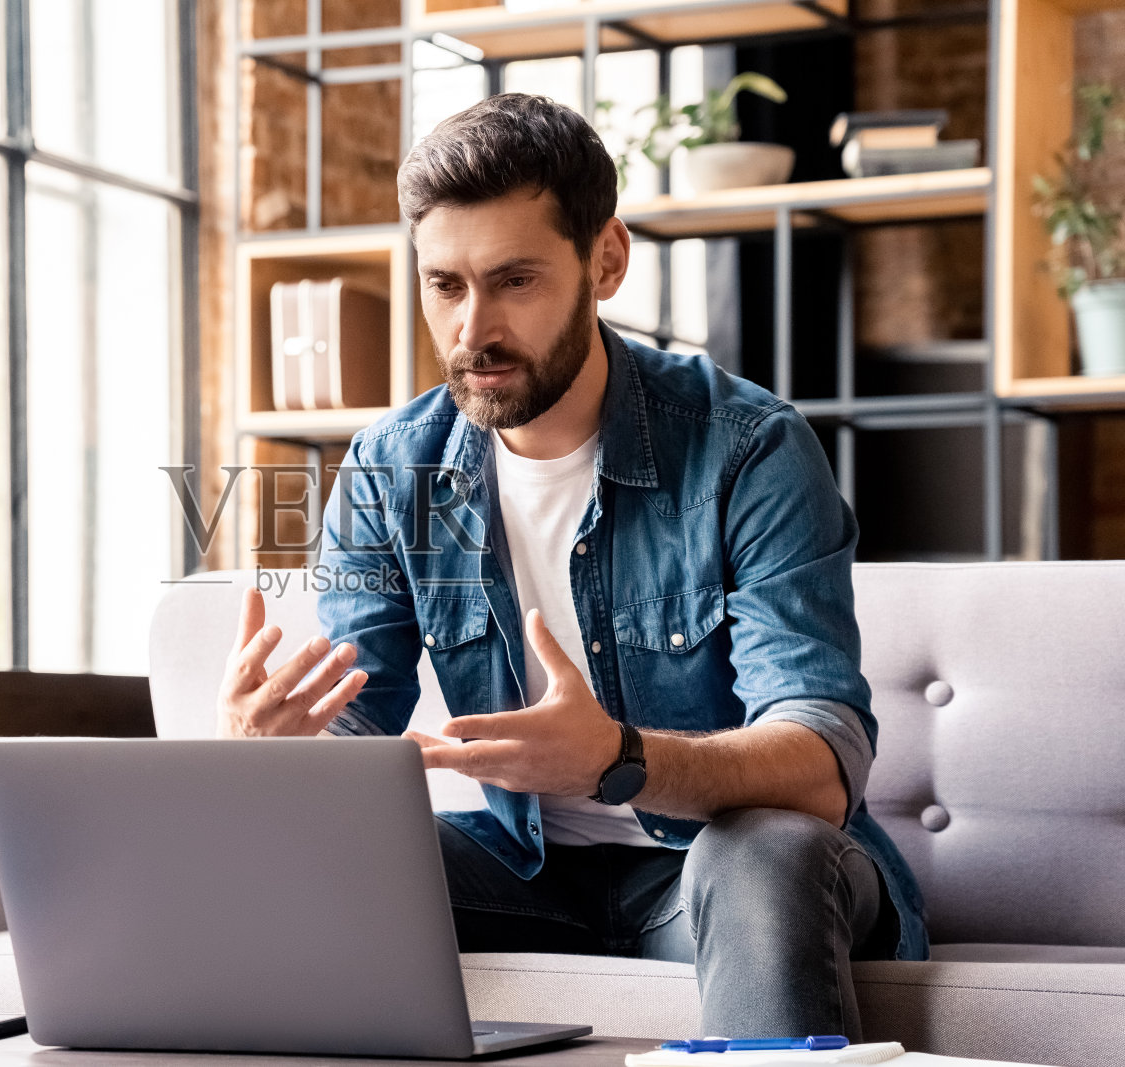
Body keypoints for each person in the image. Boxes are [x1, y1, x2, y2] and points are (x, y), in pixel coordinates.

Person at [215, 92, 927, 1040]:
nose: (472, 329)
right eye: (445, 285)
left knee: (763, 854)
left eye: (514, 280)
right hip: (522, 869)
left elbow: (822, 761)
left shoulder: (747, 447)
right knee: (297, 866)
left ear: (606, 261)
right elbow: (358, 724)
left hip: (725, 866)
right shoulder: (392, 469)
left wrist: (616, 758)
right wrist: (260, 757)